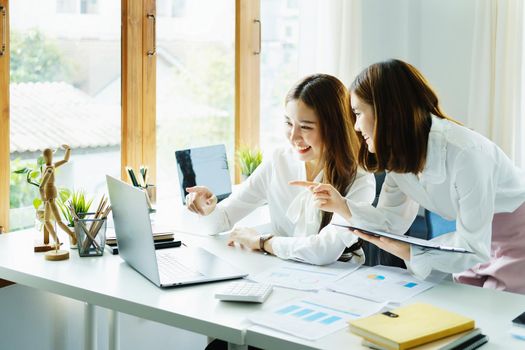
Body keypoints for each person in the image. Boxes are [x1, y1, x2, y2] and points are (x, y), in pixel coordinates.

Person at [344, 59, 525, 293]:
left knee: (496, 310)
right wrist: (342, 207)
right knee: (464, 304)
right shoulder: (400, 156)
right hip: (473, 236)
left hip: (515, 237)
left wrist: (411, 252)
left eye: (358, 113)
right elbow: (392, 220)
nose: (356, 127)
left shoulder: (466, 153)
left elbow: (473, 247)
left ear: (386, 113)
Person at [185, 74, 375, 265]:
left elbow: (323, 251)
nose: (293, 136)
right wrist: (207, 208)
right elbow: (223, 218)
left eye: (306, 127)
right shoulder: (279, 161)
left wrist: (261, 242)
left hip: (340, 283)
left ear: (335, 129)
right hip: (282, 273)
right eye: (289, 123)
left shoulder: (360, 179)